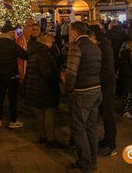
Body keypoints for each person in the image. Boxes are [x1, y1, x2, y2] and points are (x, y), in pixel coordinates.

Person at [65, 22, 102, 172]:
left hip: (83, 91)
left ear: (74, 32)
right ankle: (93, 161)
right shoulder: (94, 46)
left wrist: (68, 88)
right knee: (91, 127)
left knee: (78, 128)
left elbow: (71, 73)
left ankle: (85, 164)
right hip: (96, 89)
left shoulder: (77, 47)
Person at [25, 33, 61, 147]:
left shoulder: (32, 52)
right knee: (49, 112)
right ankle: (51, 139)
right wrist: (57, 76)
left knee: (40, 112)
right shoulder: (44, 53)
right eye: (50, 42)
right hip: (45, 87)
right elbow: (46, 72)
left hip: (36, 87)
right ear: (45, 42)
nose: (51, 45)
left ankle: (42, 136)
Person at [0, 22, 28, 128]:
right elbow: (24, 55)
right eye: (13, 32)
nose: (14, 34)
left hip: (0, 73)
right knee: (12, 97)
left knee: (0, 96)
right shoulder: (11, 44)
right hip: (12, 74)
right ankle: (13, 120)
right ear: (8, 32)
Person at [89, 24, 117, 157]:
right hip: (105, 84)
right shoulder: (103, 45)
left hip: (107, 86)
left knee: (108, 115)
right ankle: (107, 140)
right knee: (105, 114)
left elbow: (106, 69)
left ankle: (111, 145)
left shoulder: (103, 47)